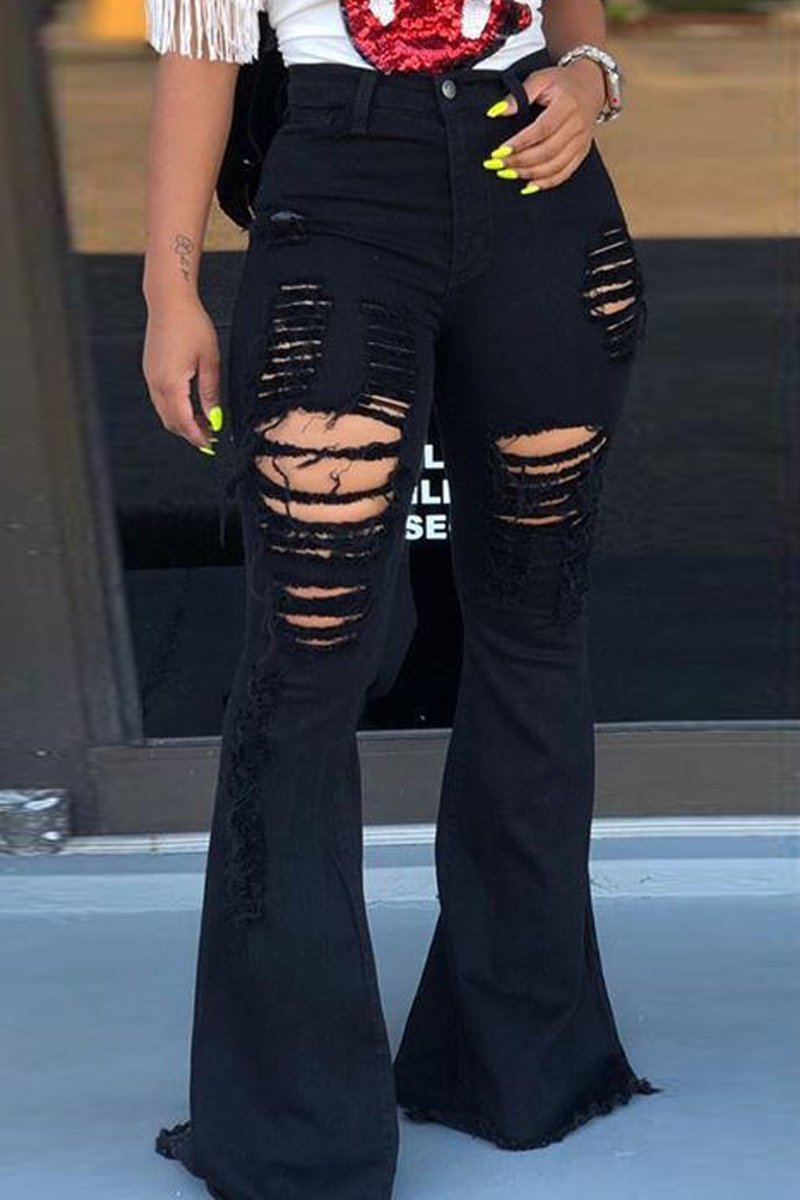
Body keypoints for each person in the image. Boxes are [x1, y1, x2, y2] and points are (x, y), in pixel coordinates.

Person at [141, 3, 660, 1198]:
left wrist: (589, 74)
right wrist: (171, 290)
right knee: (306, 654)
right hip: (338, 197)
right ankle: (291, 1128)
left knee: (534, 623)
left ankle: (519, 1063)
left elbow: (572, 20)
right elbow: (201, 57)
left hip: (541, 195)